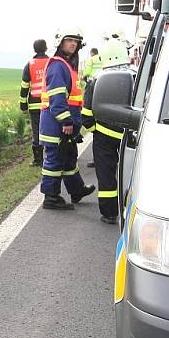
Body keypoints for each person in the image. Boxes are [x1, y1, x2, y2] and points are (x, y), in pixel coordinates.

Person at [39, 28, 96, 210]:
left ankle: (77, 190)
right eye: (69, 40)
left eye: (76, 41)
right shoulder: (58, 66)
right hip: (57, 124)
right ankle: (51, 198)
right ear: (60, 42)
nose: (73, 44)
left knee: (69, 158)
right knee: (54, 161)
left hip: (65, 123)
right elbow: (57, 99)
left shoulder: (66, 65)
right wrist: (66, 121)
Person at [81, 42, 133, 224]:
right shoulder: (135, 75)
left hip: (103, 135)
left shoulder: (96, 79)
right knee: (132, 172)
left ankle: (109, 213)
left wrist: (94, 129)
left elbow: (87, 113)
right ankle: (131, 210)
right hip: (130, 135)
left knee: (106, 175)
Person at [20, 39, 50, 166]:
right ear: (46, 48)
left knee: (36, 130)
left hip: (34, 105)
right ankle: (53, 156)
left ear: (34, 49)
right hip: (50, 103)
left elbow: (24, 86)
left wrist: (23, 104)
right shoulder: (52, 62)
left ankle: (38, 160)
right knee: (52, 130)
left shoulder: (30, 64)